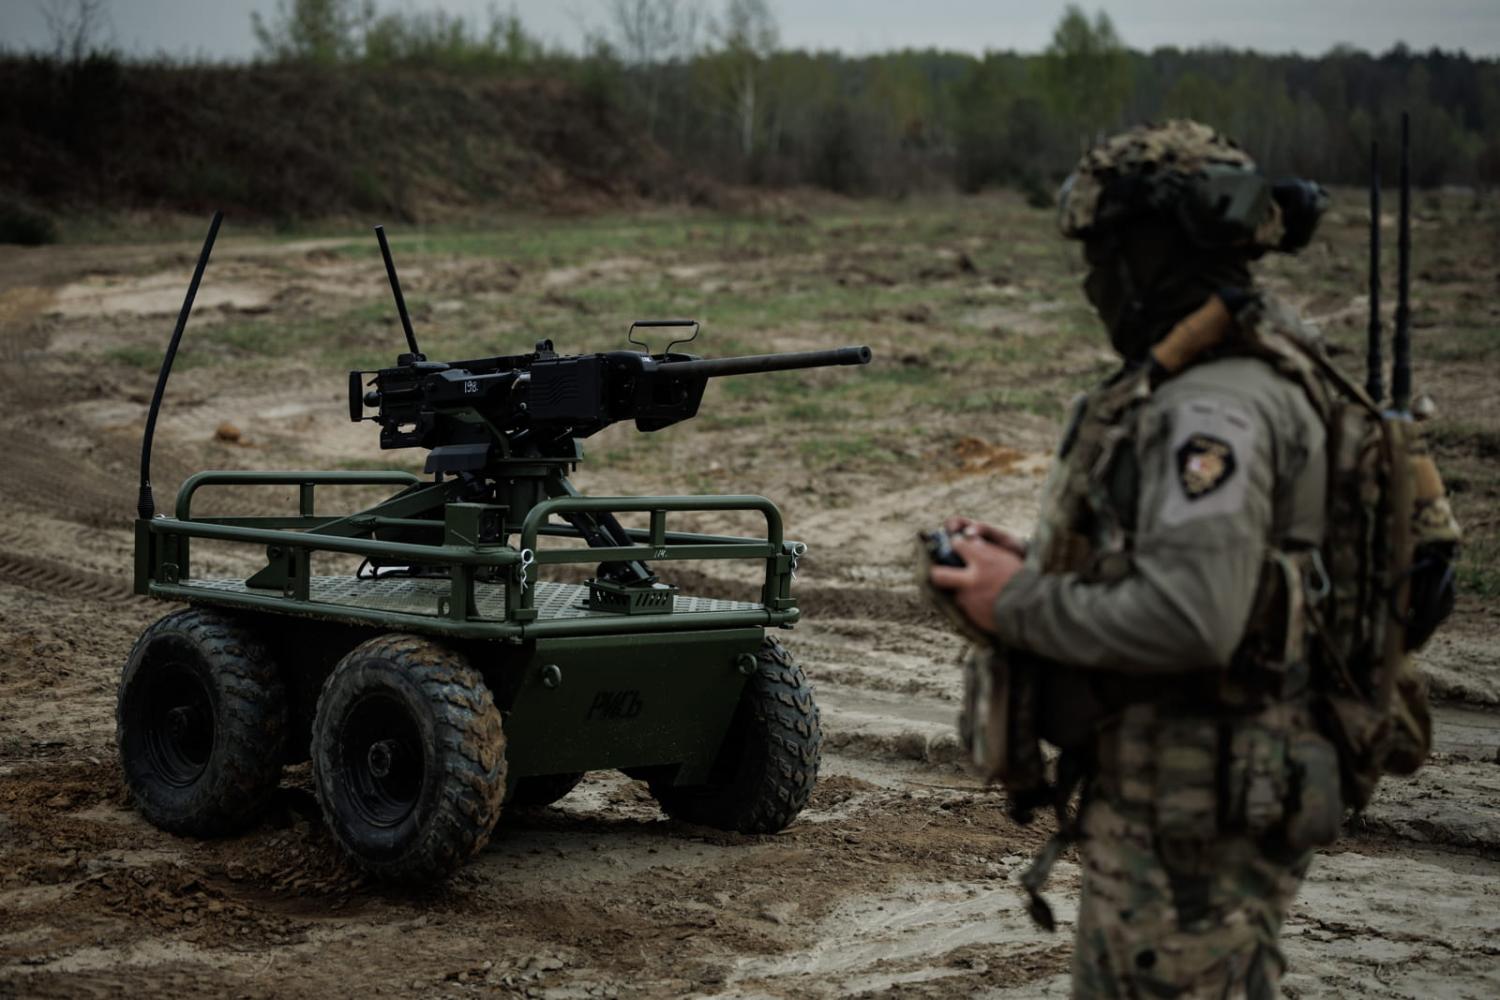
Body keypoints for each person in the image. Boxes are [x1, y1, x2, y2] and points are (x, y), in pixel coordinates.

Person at [927, 120, 1352, 999]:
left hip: (1196, 807)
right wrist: (1041, 568)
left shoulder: (1212, 413)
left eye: (1106, 251)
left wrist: (1016, 603)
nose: (1091, 280)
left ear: (1155, 253)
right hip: (1202, 794)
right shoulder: (1245, 372)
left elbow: (1192, 619)